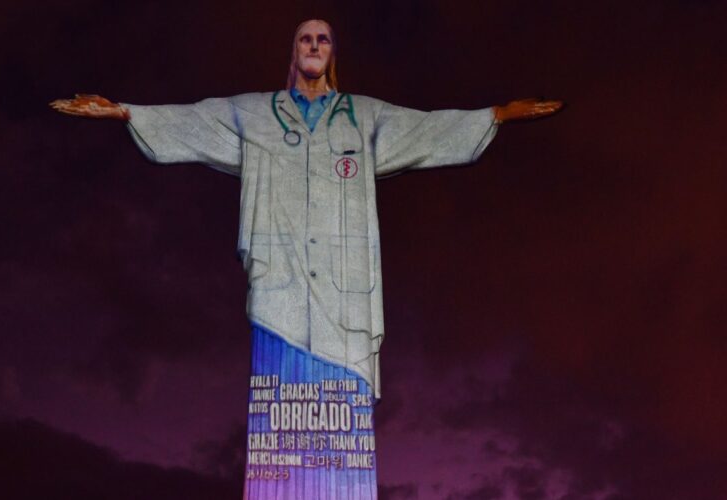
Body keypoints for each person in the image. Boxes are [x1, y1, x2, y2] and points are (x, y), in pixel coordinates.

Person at [51, 18, 562, 500]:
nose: (314, 45)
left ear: (332, 53)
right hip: (282, 292)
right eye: (305, 39)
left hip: (346, 301)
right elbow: (195, 119)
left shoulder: (363, 115)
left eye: (323, 39)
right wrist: (124, 111)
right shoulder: (254, 112)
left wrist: (493, 116)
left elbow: (425, 130)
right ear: (293, 52)